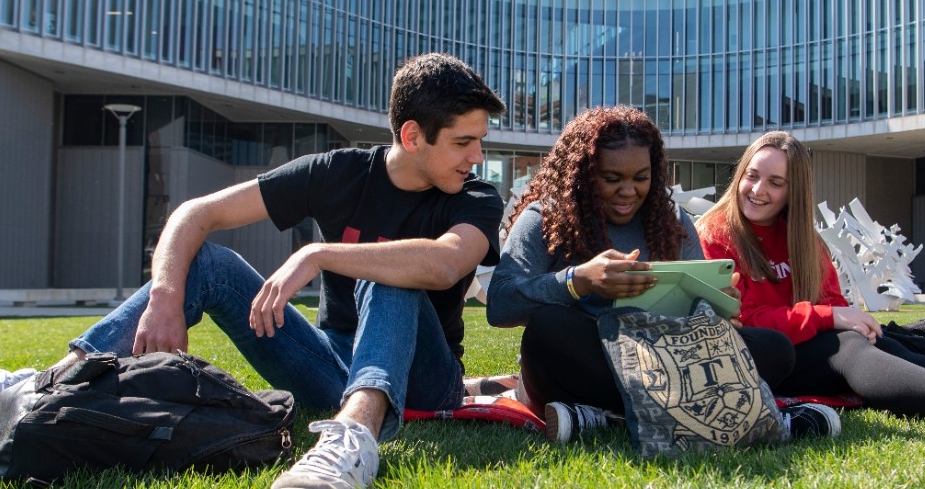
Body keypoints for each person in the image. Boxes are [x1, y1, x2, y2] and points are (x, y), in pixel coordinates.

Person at [0, 53, 506, 489]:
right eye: (464, 143)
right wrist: (164, 297)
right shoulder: (339, 173)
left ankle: (353, 442)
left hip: (426, 380)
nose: (477, 157)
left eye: (479, 142)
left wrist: (316, 255)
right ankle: (56, 381)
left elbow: (443, 265)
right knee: (211, 264)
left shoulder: (478, 197)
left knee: (390, 270)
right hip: (332, 365)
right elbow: (195, 214)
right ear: (413, 135)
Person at [485, 106, 839, 444]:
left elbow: (704, 323)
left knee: (775, 349)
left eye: (641, 178)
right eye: (611, 179)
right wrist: (577, 281)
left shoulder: (670, 221)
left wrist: (718, 307)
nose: (629, 191)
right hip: (589, 357)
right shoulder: (545, 218)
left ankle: (603, 417)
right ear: (584, 173)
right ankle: (692, 415)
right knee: (547, 330)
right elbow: (500, 305)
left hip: (663, 360)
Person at [696, 130, 925, 435]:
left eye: (775, 182)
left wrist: (838, 318)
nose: (757, 190)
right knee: (849, 348)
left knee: (876, 342)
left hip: (809, 351)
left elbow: (830, 302)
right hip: (759, 359)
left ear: (793, 192)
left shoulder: (803, 241)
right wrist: (826, 317)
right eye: (751, 176)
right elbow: (742, 321)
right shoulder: (713, 236)